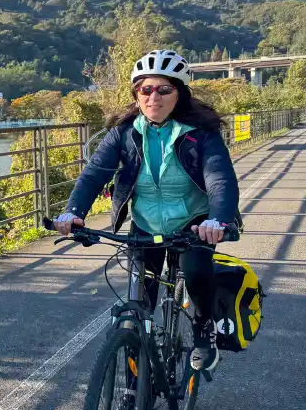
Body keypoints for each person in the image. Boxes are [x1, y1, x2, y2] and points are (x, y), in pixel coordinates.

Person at [53, 49, 240, 373]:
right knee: (139, 303)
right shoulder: (124, 133)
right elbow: (95, 174)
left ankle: (202, 329)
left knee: (196, 271)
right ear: (136, 94)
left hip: (194, 224)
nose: (154, 97)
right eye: (146, 89)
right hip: (145, 224)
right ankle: (133, 388)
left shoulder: (201, 135)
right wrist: (73, 211)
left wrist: (218, 219)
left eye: (164, 89)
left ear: (179, 93)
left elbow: (220, 179)